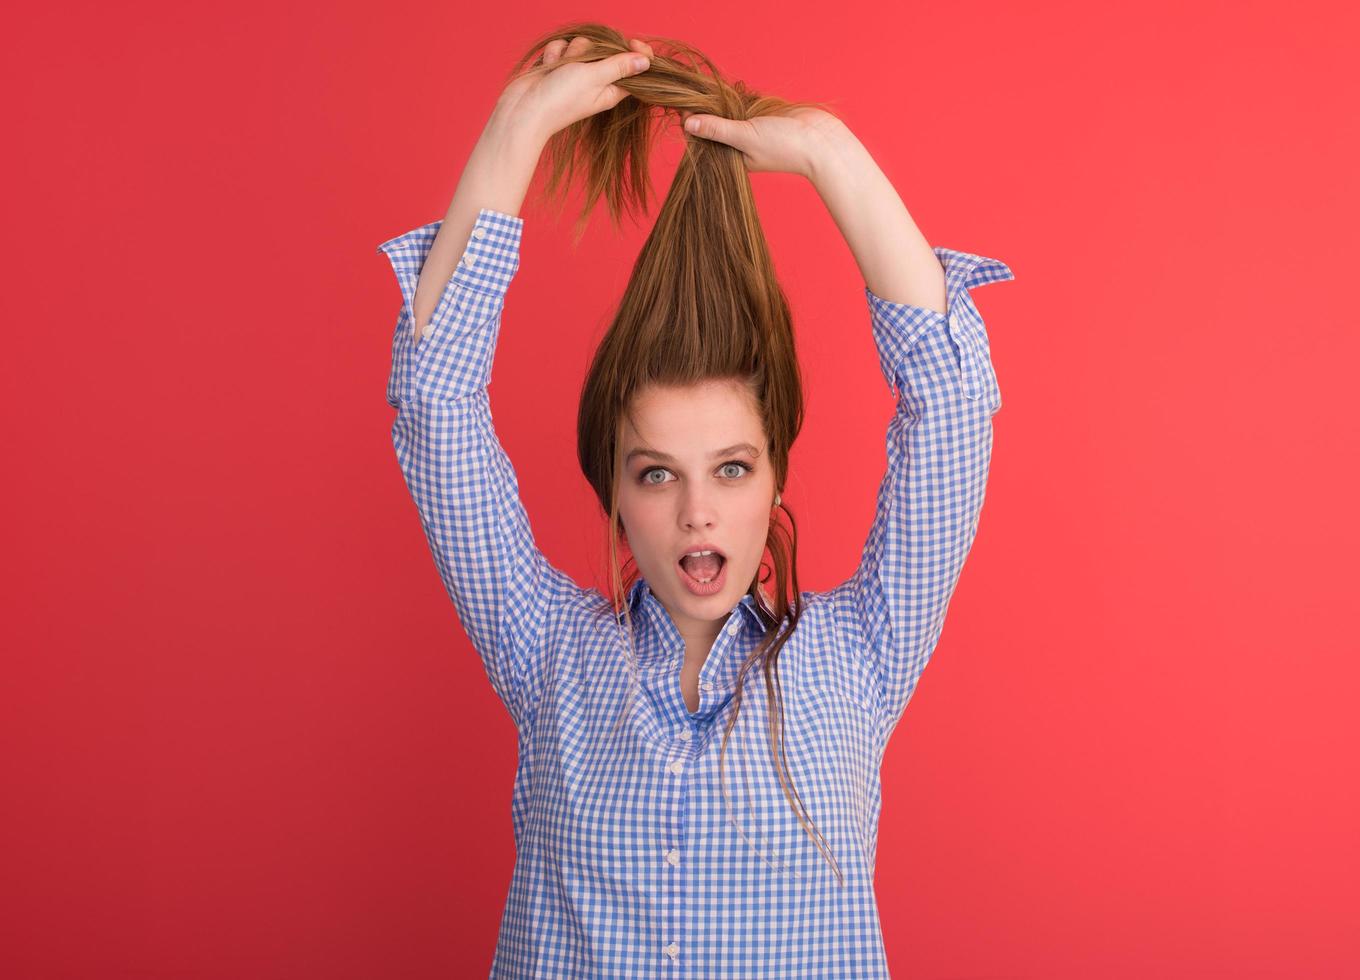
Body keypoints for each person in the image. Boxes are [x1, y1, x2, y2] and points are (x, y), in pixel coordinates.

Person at [375, 23, 1014, 978]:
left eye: (730, 468)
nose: (696, 514)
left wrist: (826, 150)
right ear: (616, 494)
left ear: (774, 479)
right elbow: (434, 401)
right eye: (656, 473)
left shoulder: (860, 658)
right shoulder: (543, 650)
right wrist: (516, 133)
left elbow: (953, 407)